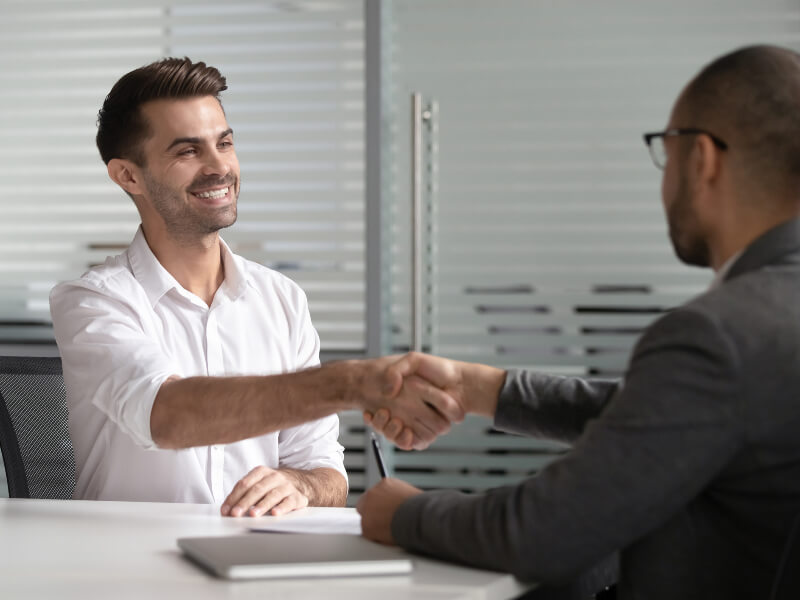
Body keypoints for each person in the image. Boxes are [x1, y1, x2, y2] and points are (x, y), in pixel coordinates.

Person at [357, 44, 800, 599]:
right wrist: (485, 390)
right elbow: (664, 421)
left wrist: (404, 513)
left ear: (702, 160)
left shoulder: (721, 333)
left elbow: (542, 532)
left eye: (666, 151)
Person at [49, 57, 461, 517]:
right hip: (130, 572)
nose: (218, 167)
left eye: (224, 143)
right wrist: (352, 383)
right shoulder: (94, 300)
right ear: (128, 175)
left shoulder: (281, 299)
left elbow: (326, 473)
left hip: (252, 562)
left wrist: (299, 485)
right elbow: (166, 415)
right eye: (188, 152)